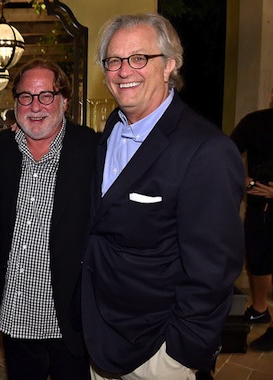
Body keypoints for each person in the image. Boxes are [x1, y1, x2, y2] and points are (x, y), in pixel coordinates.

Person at [81, 13, 246, 379]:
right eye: (114, 60)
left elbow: (214, 271)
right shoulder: (109, 131)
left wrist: (180, 352)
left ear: (170, 64)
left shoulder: (206, 150)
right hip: (103, 339)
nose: (124, 71)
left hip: (158, 351)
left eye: (139, 58)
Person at [0, 59, 97, 379]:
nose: (35, 106)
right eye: (26, 96)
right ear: (16, 104)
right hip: (16, 312)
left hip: (69, 316)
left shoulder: (92, 148)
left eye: (46, 96)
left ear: (63, 100)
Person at [230, 90, 273, 352]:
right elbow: (226, 153)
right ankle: (259, 309)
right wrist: (245, 181)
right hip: (259, 208)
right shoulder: (254, 121)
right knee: (258, 258)